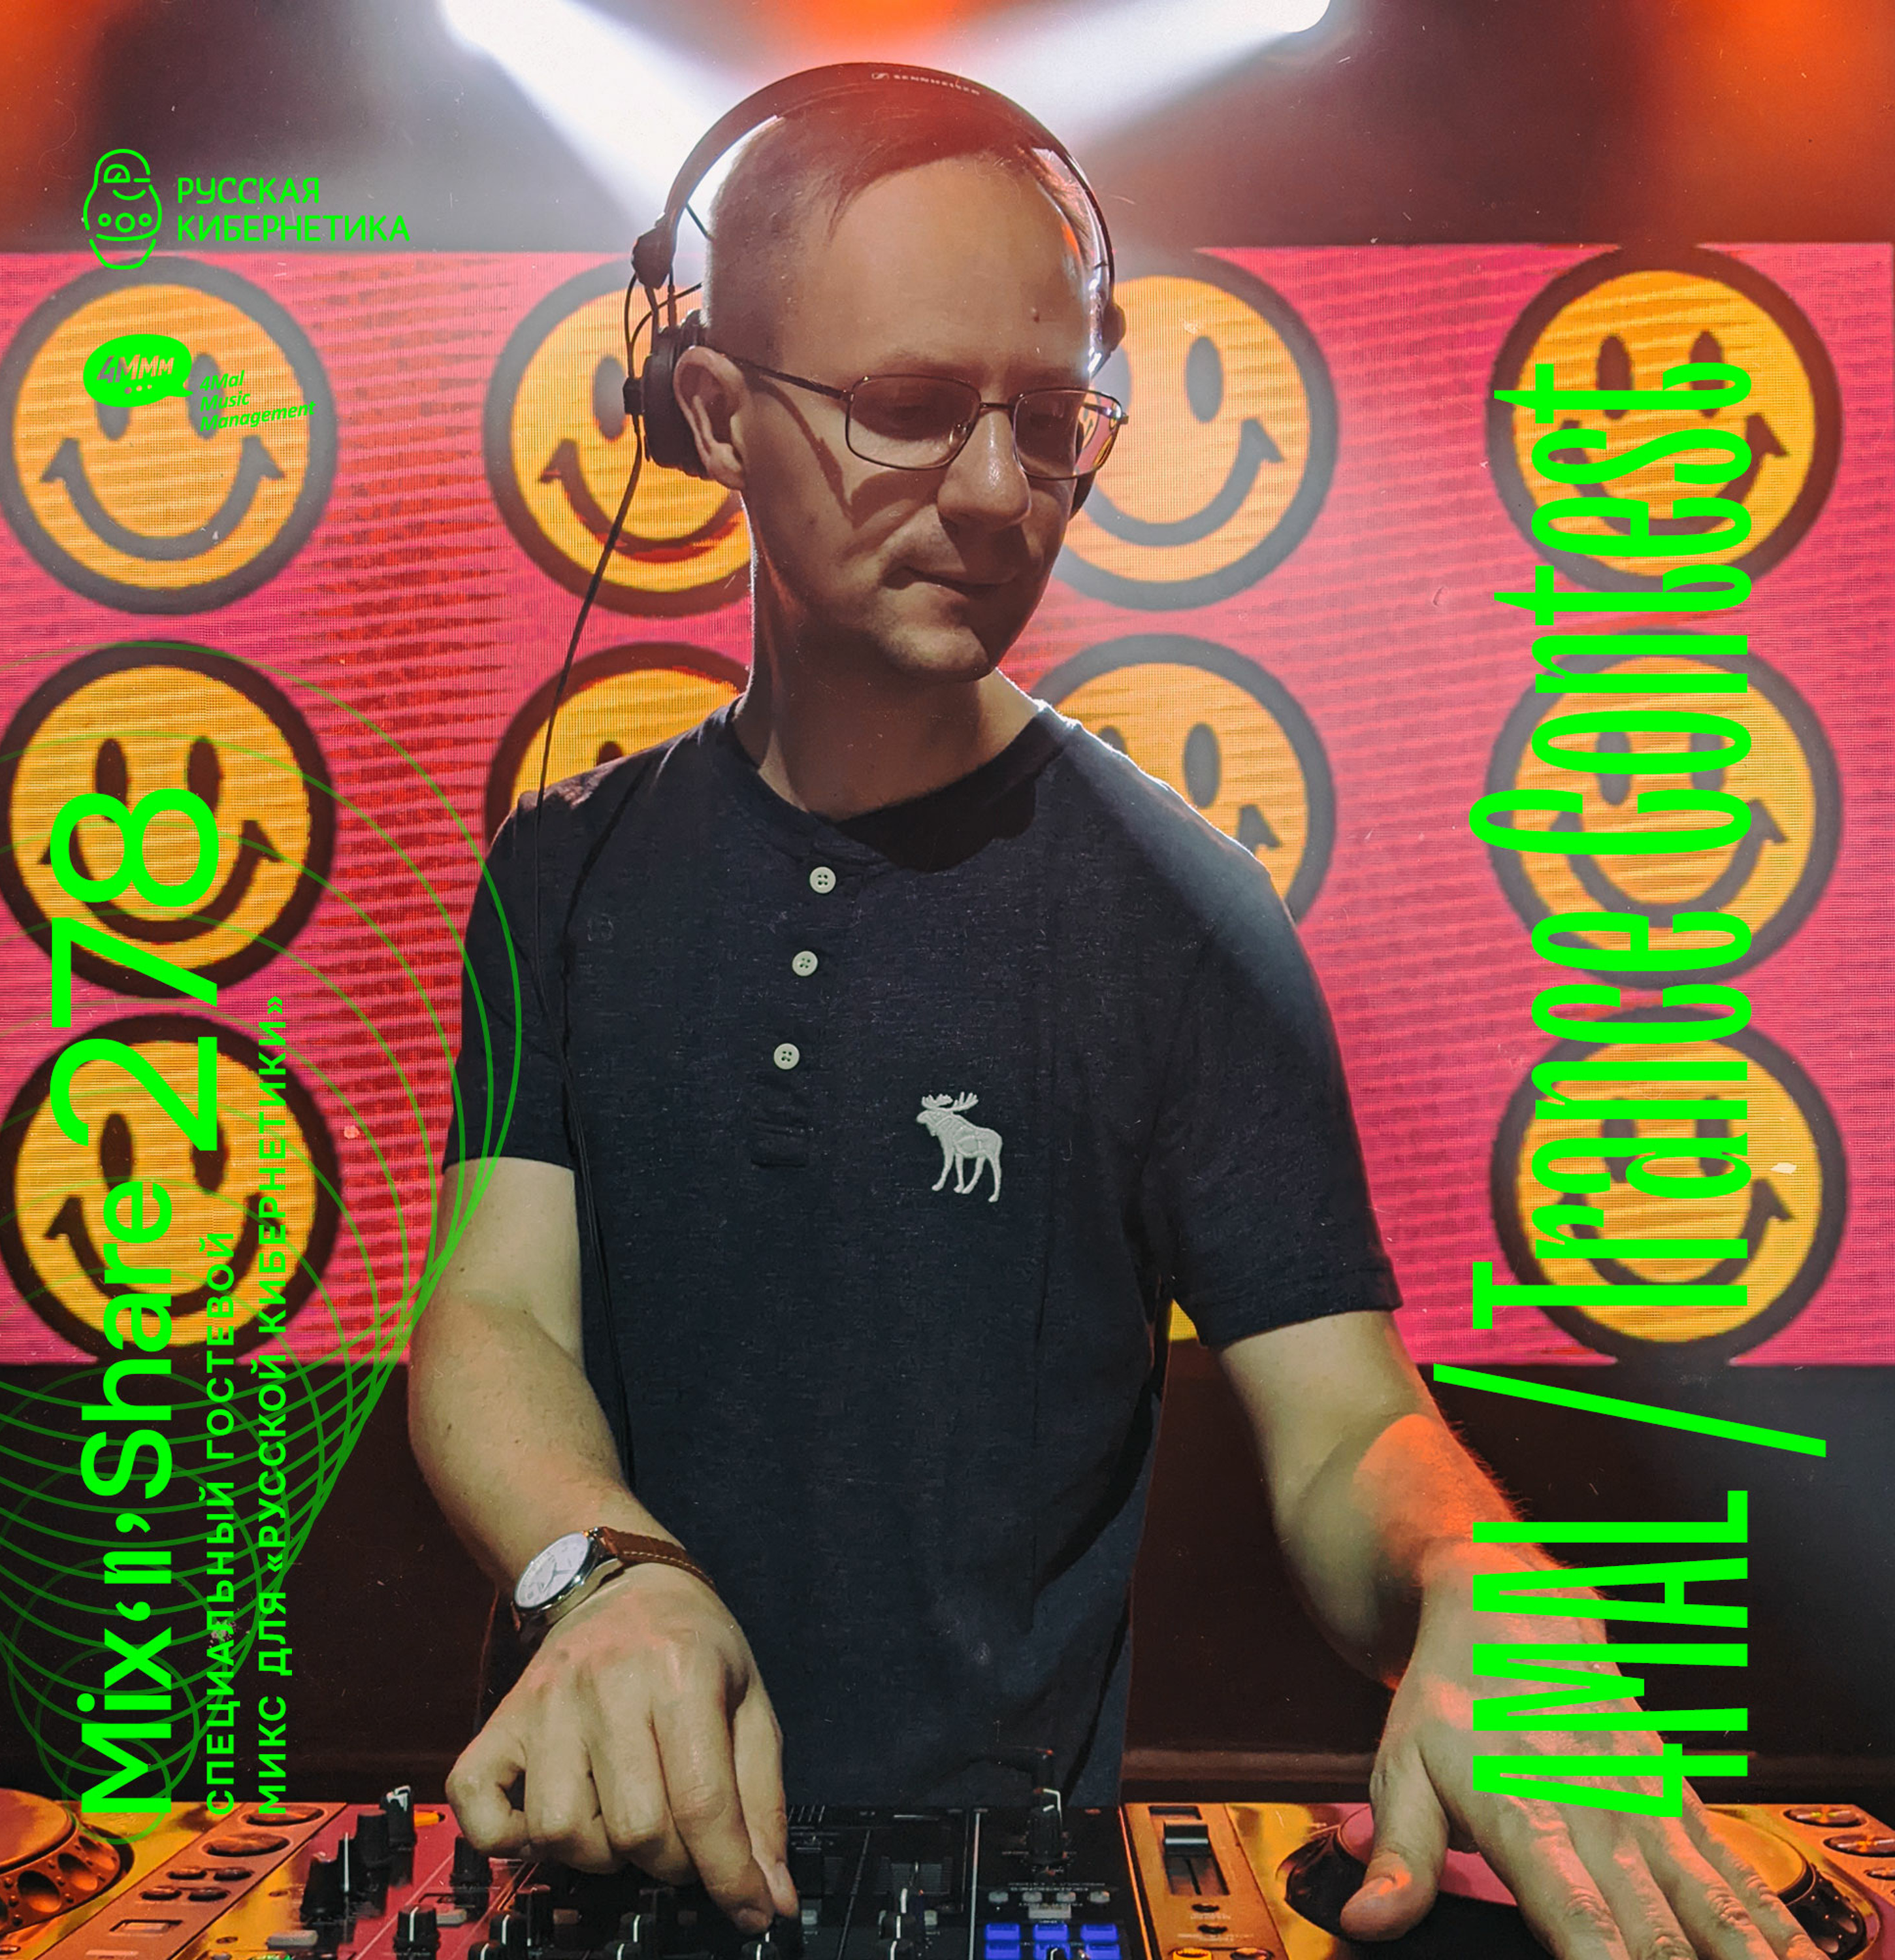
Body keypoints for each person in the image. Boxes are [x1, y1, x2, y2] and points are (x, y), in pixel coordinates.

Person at [408, 77, 1821, 1960]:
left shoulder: (1180, 913)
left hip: (1001, 1893)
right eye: (913, 405)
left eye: (1049, 419)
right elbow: (493, 1315)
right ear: (713, 412)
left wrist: (1485, 1576)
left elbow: (1342, 1429)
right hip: (601, 1872)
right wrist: (607, 1577)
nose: (1001, 494)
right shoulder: (567, 869)